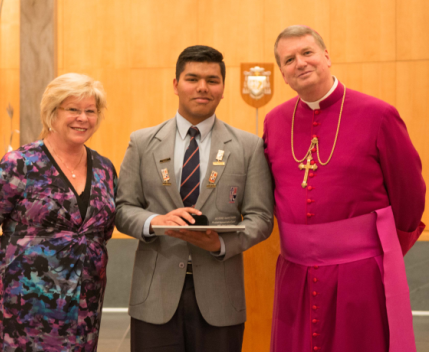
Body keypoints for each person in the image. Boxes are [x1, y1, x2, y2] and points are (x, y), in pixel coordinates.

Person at [263, 25, 426, 352]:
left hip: (361, 273)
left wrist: (376, 253)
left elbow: (410, 197)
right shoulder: (274, 121)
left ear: (327, 56)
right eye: (289, 59)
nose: (301, 63)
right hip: (295, 273)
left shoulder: (378, 114)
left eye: (307, 53)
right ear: (282, 73)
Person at [115, 45, 274, 352]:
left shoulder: (248, 146)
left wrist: (221, 244)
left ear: (223, 89)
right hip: (154, 294)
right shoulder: (142, 142)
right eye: (192, 78)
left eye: (212, 80)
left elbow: (261, 218)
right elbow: (123, 208)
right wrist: (153, 222)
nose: (203, 87)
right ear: (176, 85)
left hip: (220, 297)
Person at [0, 73, 117, 352]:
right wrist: (14, 262)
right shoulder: (20, 164)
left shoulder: (105, 168)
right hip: (27, 303)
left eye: (90, 111)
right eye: (72, 109)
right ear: (51, 112)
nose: (82, 118)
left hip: (86, 303)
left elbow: (101, 232)